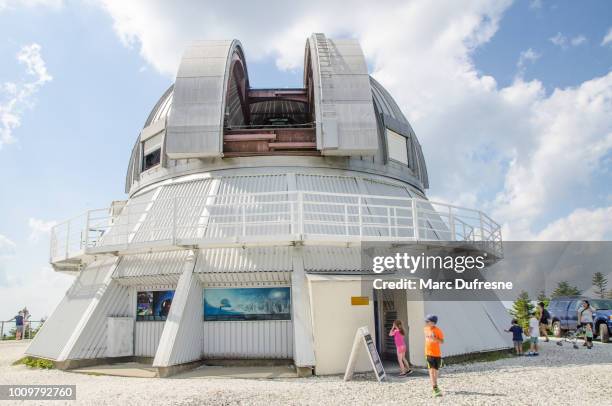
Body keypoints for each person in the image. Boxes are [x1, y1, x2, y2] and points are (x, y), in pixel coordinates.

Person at [424, 314, 444, 398]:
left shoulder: (438, 330)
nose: (426, 322)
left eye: (427, 321)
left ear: (433, 322)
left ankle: (435, 386)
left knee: (436, 371)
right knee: (431, 370)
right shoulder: (425, 329)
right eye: (426, 321)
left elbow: (442, 341)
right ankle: (435, 388)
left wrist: (435, 339)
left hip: (437, 354)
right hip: (428, 353)